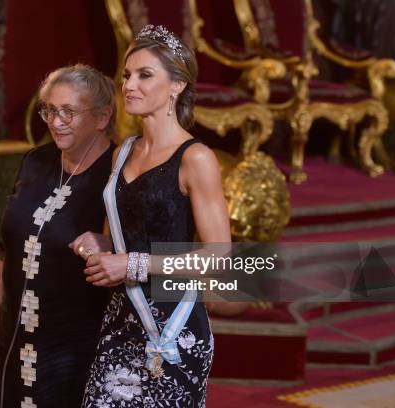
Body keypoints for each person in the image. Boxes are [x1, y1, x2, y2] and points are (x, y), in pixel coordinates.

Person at [72, 25, 243, 407]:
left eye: (145, 75)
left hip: (174, 327)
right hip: (120, 319)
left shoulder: (196, 158)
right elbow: (120, 240)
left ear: (177, 85)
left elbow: (219, 256)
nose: (130, 85)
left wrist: (131, 264)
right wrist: (98, 245)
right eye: (127, 76)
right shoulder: (122, 153)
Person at [0, 64, 116, 407]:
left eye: (68, 112)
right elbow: (7, 250)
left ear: (101, 117)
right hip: (15, 334)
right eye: (50, 111)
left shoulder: (117, 175)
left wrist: (110, 246)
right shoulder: (36, 161)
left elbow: (130, 257)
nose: (56, 122)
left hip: (73, 346)